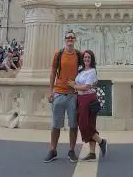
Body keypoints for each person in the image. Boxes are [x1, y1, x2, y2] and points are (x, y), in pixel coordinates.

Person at [44, 30, 83, 164]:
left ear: (75, 40)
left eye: (72, 37)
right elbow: (53, 72)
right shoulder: (58, 54)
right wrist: (51, 91)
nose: (70, 39)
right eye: (68, 37)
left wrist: (80, 86)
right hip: (59, 93)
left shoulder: (79, 54)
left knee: (73, 124)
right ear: (65, 39)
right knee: (56, 125)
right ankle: (53, 150)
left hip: (73, 95)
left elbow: (86, 68)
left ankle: (71, 150)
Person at [68, 50, 107, 161]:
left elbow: (87, 87)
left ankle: (100, 142)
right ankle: (93, 152)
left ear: (92, 59)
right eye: (85, 57)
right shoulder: (80, 71)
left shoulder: (92, 71)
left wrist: (74, 85)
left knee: (85, 124)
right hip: (80, 99)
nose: (86, 59)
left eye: (88, 57)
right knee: (86, 124)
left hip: (89, 99)